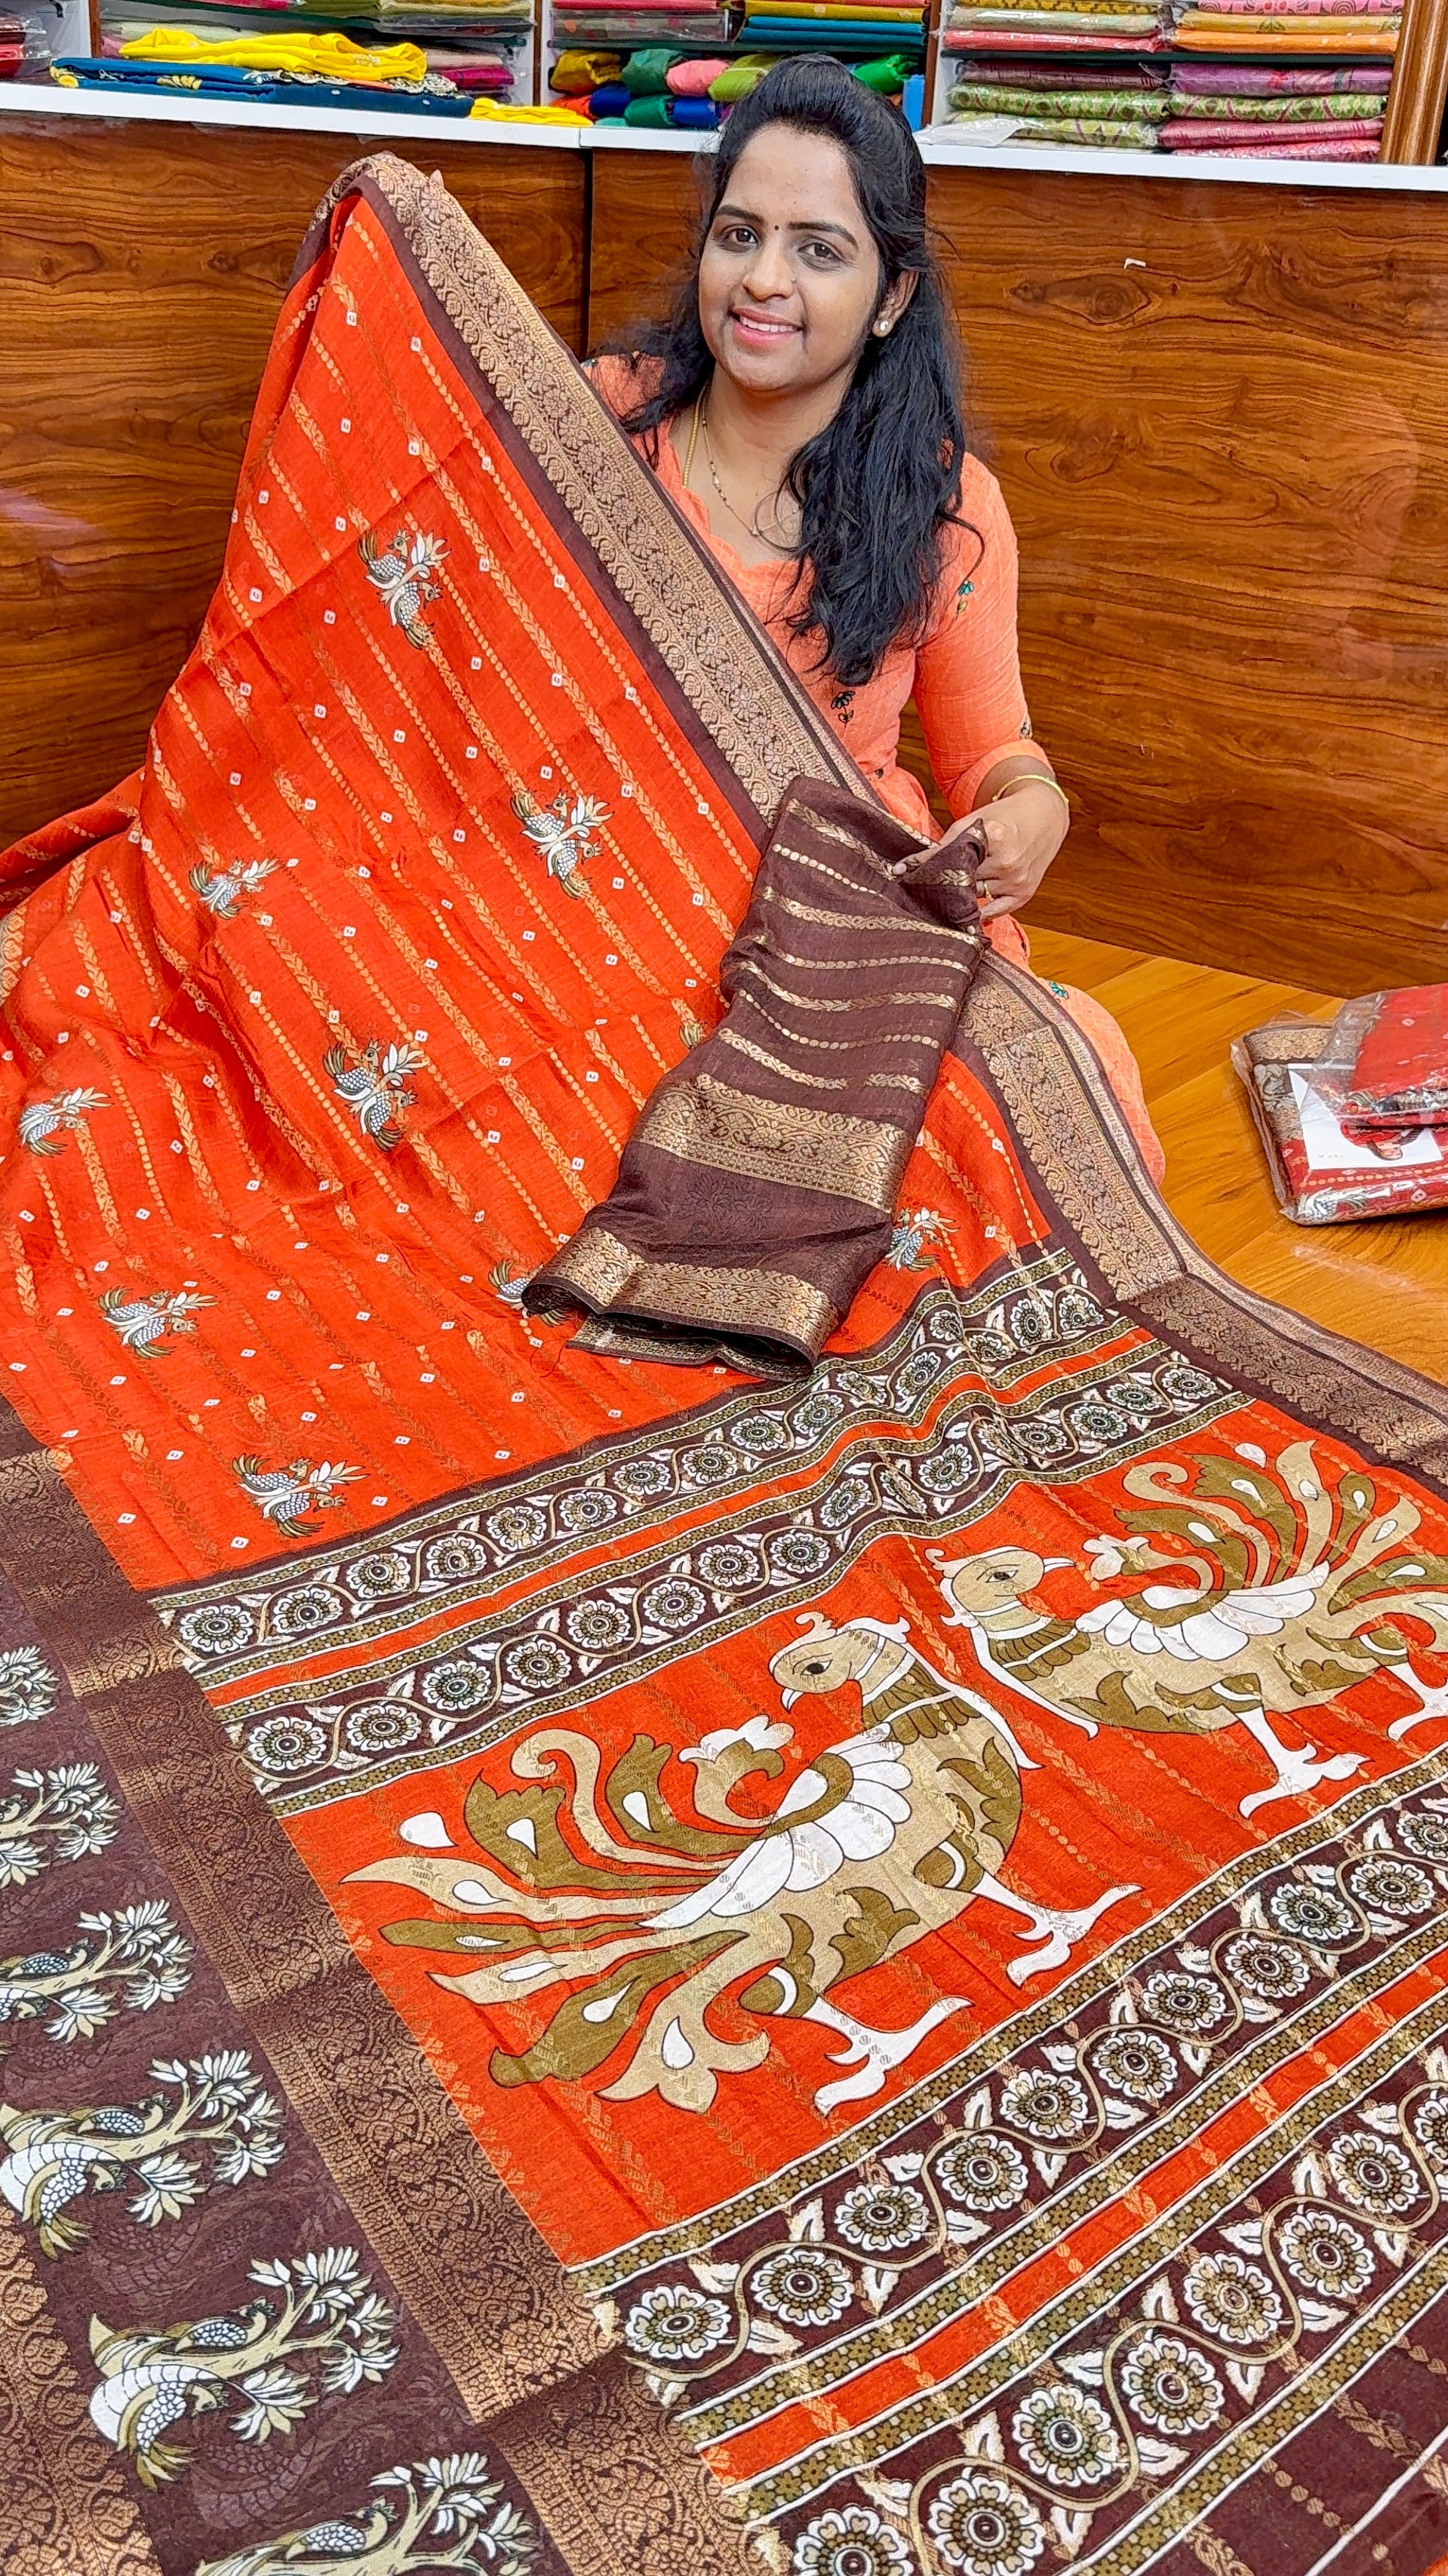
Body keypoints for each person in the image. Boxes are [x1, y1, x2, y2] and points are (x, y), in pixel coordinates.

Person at [591, 56, 1164, 1179]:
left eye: (820, 250)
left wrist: (1033, 809)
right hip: (614, 884)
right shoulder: (597, 427)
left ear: (892, 298)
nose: (763, 281)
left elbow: (992, 756)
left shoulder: (946, 509)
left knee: (1043, 1090)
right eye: (740, 235)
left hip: (839, 925)